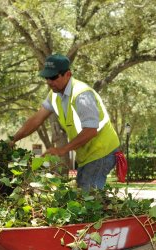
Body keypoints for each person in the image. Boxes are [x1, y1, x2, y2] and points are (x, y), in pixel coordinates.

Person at [9, 54, 121, 190]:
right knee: (83, 195)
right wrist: (13, 139)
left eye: (53, 77)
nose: (49, 82)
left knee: (89, 198)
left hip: (102, 151)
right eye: (46, 77)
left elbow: (91, 130)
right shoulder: (54, 95)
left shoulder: (81, 95)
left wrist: (62, 150)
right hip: (87, 154)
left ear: (68, 74)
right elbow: (36, 119)